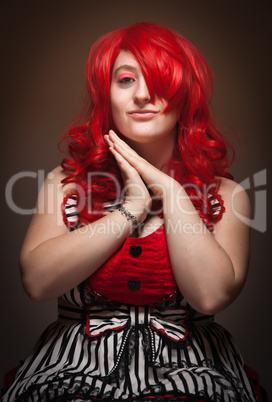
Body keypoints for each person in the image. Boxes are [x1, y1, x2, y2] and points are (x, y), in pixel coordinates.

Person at [2, 22, 258, 401]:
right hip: (73, 370)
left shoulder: (226, 194)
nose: (142, 95)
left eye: (160, 80)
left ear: (185, 95)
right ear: (106, 96)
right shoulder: (66, 183)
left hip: (192, 370)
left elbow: (210, 295)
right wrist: (132, 208)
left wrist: (168, 190)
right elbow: (37, 283)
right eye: (125, 80)